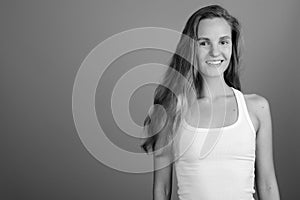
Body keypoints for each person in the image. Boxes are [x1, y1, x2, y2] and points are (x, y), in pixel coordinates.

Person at [141, 4, 280, 200]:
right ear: (190, 48)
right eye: (204, 43)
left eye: (223, 42)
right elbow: (162, 189)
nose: (215, 52)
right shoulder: (170, 110)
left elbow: (267, 185)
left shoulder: (257, 109)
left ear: (232, 45)